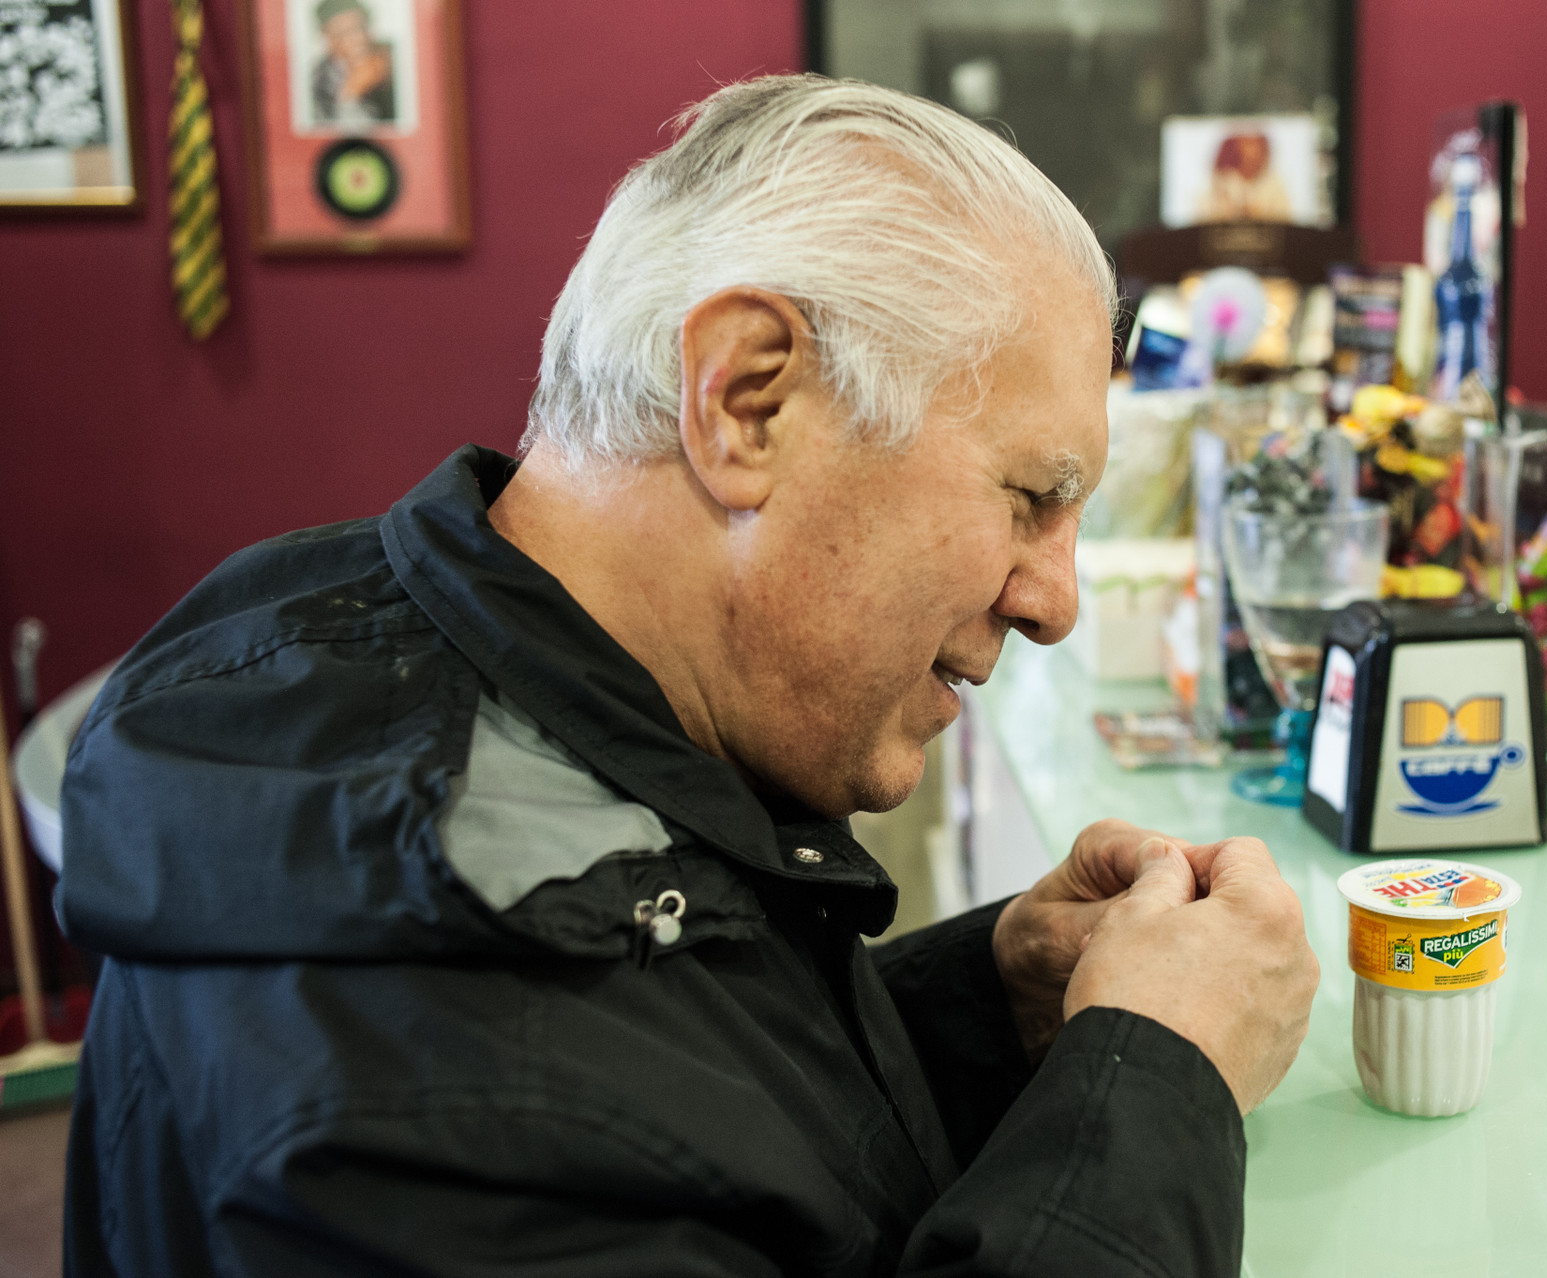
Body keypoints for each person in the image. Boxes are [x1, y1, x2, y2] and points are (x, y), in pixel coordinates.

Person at [59, 76, 1319, 1276]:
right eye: (1032, 497)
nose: (1055, 600)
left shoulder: (437, 676)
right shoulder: (440, 1071)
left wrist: (991, 1007)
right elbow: (595, 1111)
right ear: (748, 402)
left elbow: (695, 1100)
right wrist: (1155, 1074)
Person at [310, 0, 395, 127]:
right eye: (342, 33)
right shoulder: (319, 80)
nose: (357, 39)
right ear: (327, 36)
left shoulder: (392, 60)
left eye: (360, 28)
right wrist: (350, 94)